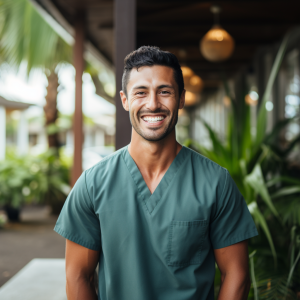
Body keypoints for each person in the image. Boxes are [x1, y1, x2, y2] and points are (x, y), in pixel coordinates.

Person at [55, 46, 258, 300]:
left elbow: (236, 276)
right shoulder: (92, 184)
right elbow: (77, 277)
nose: (153, 104)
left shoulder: (215, 182)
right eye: (141, 92)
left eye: (165, 91)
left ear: (181, 98)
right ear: (125, 99)